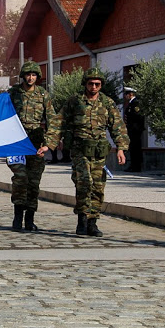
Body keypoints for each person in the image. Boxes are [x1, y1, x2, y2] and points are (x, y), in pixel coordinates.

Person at [38, 68, 129, 237]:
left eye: (97, 84)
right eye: (91, 84)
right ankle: (82, 219)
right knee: (84, 183)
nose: (94, 87)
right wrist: (48, 145)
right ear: (85, 84)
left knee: (98, 186)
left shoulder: (107, 103)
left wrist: (121, 149)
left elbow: (118, 127)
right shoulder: (75, 101)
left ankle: (93, 222)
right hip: (80, 150)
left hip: (99, 151)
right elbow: (59, 123)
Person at [7, 62, 57, 231]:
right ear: (23, 76)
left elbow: (53, 121)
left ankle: (30, 219)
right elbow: (0, 114)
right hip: (17, 143)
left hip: (36, 144)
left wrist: (48, 145)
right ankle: (17, 217)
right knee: (20, 179)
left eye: (34, 75)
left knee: (34, 182)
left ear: (37, 77)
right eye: (28, 75)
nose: (30, 78)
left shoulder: (43, 95)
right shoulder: (13, 93)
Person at [124, 87, 145, 172]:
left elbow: (138, 116)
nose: (125, 96)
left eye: (126, 94)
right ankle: (133, 165)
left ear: (131, 94)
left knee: (135, 148)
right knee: (132, 147)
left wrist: (135, 127)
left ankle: (136, 166)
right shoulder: (131, 103)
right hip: (131, 129)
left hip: (135, 130)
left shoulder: (136, 103)